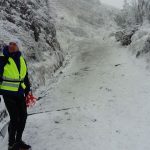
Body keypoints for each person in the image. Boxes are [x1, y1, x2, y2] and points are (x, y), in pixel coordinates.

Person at [0, 42, 31, 150]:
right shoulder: (2, 59)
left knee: (23, 117)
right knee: (14, 118)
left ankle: (19, 141)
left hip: (19, 92)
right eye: (10, 44)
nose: (12, 46)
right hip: (8, 93)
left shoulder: (22, 59)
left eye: (14, 44)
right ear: (8, 47)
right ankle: (11, 144)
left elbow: (25, 75)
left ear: (18, 47)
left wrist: (27, 89)